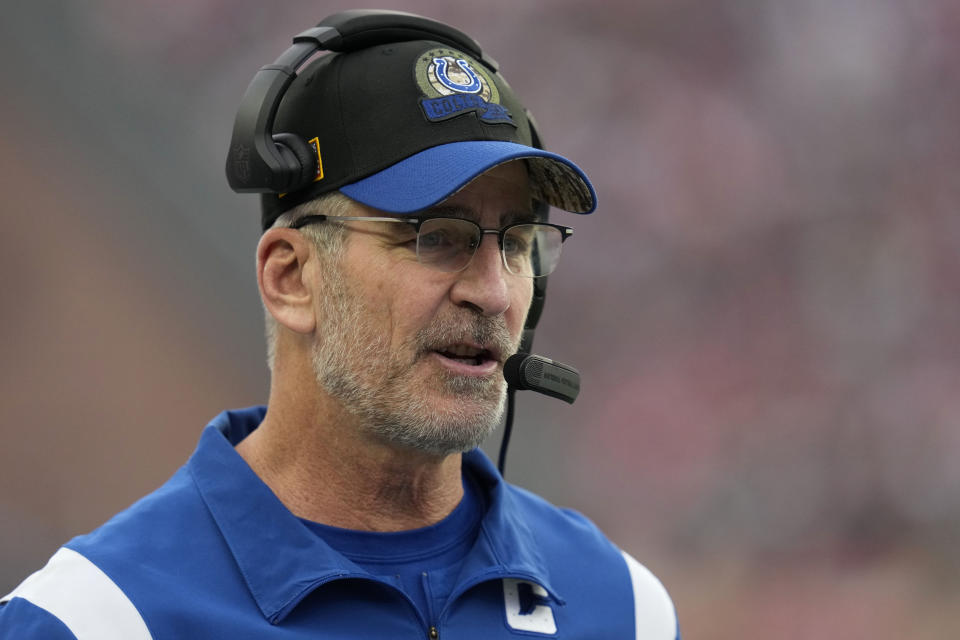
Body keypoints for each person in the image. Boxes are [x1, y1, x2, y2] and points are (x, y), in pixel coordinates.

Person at [0, 10, 679, 639]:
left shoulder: (625, 607)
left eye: (518, 241)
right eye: (438, 236)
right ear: (291, 278)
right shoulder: (93, 620)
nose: (495, 292)